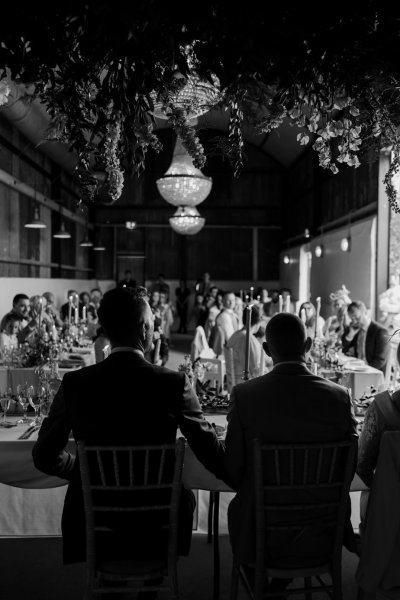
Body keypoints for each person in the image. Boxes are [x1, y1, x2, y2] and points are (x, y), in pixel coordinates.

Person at [32, 287, 225, 569]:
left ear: (105, 329)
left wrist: (82, 469)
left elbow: (43, 455)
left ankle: (110, 572)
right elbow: (208, 449)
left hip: (94, 512)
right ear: (145, 327)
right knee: (183, 495)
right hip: (159, 515)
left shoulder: (75, 384)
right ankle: (153, 575)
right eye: (153, 323)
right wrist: (241, 472)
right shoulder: (174, 383)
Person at [223, 313, 358, 573]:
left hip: (261, 530)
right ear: (307, 347)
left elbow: (233, 469)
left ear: (265, 350)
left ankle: (264, 580)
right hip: (323, 528)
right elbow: (348, 469)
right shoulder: (340, 398)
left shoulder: (245, 395)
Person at [342, 300, 389, 372]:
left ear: (365, 313)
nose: (354, 322)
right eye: (352, 319)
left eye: (357, 318)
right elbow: (343, 349)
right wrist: (350, 336)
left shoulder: (380, 331)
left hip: (373, 371)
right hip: (356, 369)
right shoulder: (355, 329)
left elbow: (380, 360)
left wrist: (364, 370)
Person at [225, 305, 265, 390]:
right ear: (259, 321)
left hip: (234, 384)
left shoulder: (235, 335)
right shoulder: (247, 338)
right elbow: (256, 371)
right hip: (244, 386)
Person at [211, 291, 240, 356]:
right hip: (227, 351)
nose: (231, 302)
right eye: (228, 300)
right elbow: (230, 338)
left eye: (233, 300)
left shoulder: (233, 315)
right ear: (223, 301)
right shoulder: (224, 316)